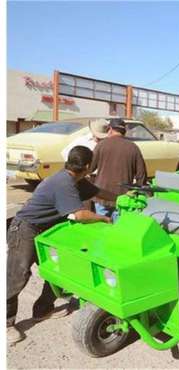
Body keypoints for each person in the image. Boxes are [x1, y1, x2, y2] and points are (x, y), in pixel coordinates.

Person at [7, 146, 117, 344]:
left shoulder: (77, 180)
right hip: (25, 229)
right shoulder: (63, 183)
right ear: (87, 166)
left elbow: (100, 192)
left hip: (47, 230)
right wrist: (104, 218)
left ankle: (44, 309)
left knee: (59, 270)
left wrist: (122, 198)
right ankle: (5, 323)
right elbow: (80, 215)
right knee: (17, 275)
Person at [90, 118, 147, 218]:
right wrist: (137, 191)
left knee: (102, 228)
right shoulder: (133, 147)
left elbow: (90, 167)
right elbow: (141, 175)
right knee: (118, 230)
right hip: (123, 198)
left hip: (102, 195)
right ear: (124, 132)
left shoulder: (101, 145)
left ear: (110, 129)